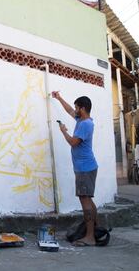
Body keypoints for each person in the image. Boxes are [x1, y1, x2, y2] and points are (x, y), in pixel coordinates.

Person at [52, 91, 98, 246]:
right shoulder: (82, 119)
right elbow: (69, 111)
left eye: (77, 107)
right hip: (85, 167)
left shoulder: (85, 125)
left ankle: (90, 237)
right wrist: (59, 98)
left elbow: (73, 142)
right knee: (88, 200)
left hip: (85, 169)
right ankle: (93, 231)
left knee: (85, 200)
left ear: (83, 108)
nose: (75, 110)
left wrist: (63, 131)